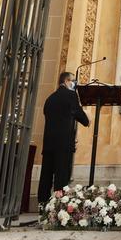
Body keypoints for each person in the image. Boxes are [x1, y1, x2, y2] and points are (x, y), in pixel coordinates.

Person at [37, 71, 89, 203]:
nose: (74, 84)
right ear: (66, 81)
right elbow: (78, 113)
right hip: (63, 143)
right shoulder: (71, 95)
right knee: (61, 175)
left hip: (49, 143)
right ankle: (59, 204)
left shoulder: (50, 98)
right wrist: (86, 120)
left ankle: (42, 203)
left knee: (46, 175)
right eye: (73, 81)